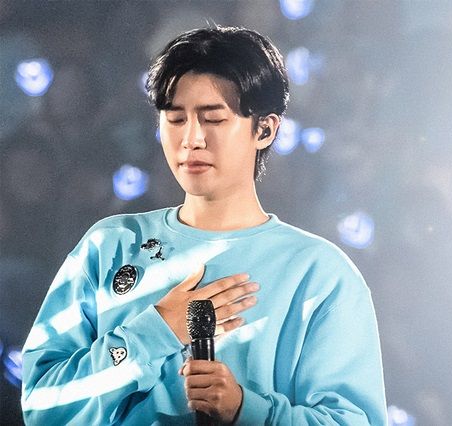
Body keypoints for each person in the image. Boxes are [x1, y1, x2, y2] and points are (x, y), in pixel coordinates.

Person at [21, 26, 387, 425]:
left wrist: (244, 409)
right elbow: (42, 406)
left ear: (265, 129)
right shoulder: (111, 245)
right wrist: (156, 330)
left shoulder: (319, 273)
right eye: (175, 119)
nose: (191, 139)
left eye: (213, 119)